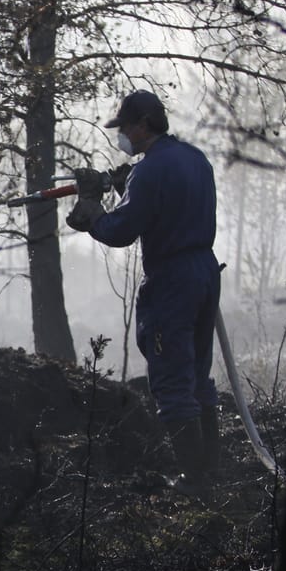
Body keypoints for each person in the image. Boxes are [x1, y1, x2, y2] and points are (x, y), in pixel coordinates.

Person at [66, 89, 221, 482]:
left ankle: (196, 485)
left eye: (126, 128)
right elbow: (166, 208)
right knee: (197, 378)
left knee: (171, 381)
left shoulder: (150, 170)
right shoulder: (194, 159)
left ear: (144, 125)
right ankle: (211, 477)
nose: (123, 136)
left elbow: (122, 230)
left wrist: (92, 209)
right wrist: (126, 190)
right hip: (204, 271)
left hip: (171, 280)